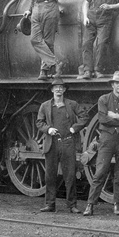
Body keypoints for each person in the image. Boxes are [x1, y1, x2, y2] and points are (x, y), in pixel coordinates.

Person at [83, 71, 119, 216]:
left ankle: (116, 204)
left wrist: (117, 116)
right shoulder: (103, 99)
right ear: (113, 84)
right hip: (107, 138)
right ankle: (90, 205)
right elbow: (103, 119)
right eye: (117, 83)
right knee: (100, 171)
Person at [36, 77, 87, 213]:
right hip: (52, 144)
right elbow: (39, 122)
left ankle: (72, 205)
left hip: (68, 143)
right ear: (52, 90)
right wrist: (48, 129)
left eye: (61, 87)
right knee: (50, 176)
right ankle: (50, 204)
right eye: (56, 87)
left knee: (70, 175)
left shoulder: (72, 104)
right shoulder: (45, 106)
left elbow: (84, 117)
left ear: (64, 90)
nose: (58, 89)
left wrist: (74, 128)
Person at [24, 0, 75, 80]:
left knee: (48, 41)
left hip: (50, 9)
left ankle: (44, 71)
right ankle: (55, 64)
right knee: (34, 39)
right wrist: (29, 10)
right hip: (36, 9)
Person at [78, 0, 119, 80]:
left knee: (101, 44)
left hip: (105, 20)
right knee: (86, 43)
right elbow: (86, 3)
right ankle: (87, 71)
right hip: (91, 19)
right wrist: (85, 17)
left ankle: (98, 70)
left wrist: (110, 6)